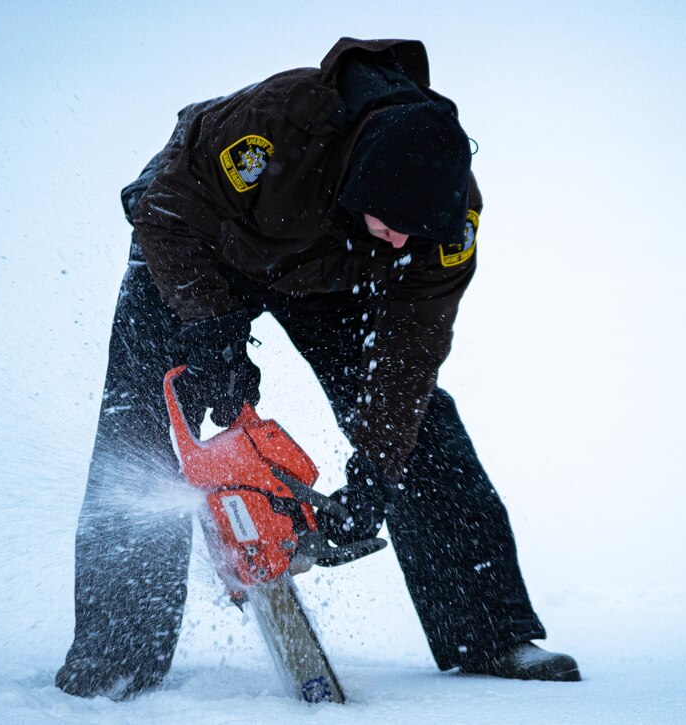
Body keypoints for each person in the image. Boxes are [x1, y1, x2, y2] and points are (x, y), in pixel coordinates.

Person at [56, 37, 580, 700]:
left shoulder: (444, 225)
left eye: (414, 234)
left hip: (331, 275)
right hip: (197, 247)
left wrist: (378, 472)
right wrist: (212, 332)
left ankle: (490, 633)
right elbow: (165, 213)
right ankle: (113, 657)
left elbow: (410, 353)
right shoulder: (275, 125)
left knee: (420, 425)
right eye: (393, 224)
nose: (402, 240)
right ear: (363, 180)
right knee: (141, 425)